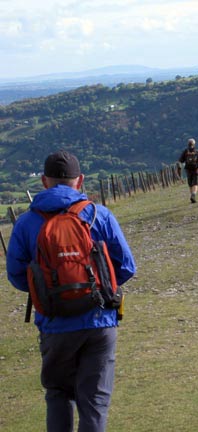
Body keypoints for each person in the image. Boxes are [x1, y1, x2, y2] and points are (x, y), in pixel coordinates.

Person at [6, 150, 137, 432]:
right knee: (94, 402)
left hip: (54, 324)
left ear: (44, 181)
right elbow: (126, 266)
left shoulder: (27, 223)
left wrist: (47, 291)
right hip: (99, 320)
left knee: (57, 394)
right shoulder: (98, 215)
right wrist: (100, 288)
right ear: (80, 181)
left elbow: (17, 276)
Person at [178, 138, 198, 203]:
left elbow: (181, 160)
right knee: (195, 183)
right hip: (195, 169)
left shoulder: (185, 151)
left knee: (190, 183)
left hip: (188, 169)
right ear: (194, 144)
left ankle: (192, 196)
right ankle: (193, 194)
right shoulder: (197, 151)